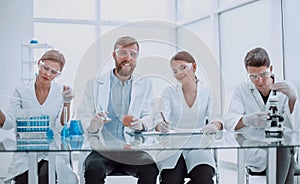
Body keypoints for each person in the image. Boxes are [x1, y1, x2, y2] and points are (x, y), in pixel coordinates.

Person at [78, 36, 159, 184]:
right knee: (93, 169)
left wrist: (140, 124)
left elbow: (149, 116)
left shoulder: (145, 84)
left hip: (132, 150)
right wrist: (92, 125)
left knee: (150, 168)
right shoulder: (94, 84)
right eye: (123, 53)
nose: (128, 58)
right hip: (101, 151)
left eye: (133, 54)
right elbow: (83, 116)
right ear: (114, 55)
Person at [0, 50, 78, 183]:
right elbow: (9, 124)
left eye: (54, 72)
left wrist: (67, 102)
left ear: (58, 74)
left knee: (45, 176)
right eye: (45, 68)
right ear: (39, 64)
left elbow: (61, 125)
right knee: (23, 179)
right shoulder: (21, 91)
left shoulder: (62, 91)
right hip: (27, 150)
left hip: (52, 150)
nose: (48, 74)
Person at [224, 47, 299, 184]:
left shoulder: (285, 89)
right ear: (247, 73)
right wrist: (247, 120)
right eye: (253, 76)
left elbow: (294, 127)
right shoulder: (241, 90)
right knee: (284, 155)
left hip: (282, 148)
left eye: (263, 74)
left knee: (281, 150)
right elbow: (229, 121)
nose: (259, 81)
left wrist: (293, 99)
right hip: (254, 150)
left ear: (270, 68)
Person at [154, 51, 223, 184]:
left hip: (198, 147)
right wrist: (160, 124)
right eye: (174, 71)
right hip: (173, 148)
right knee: (171, 180)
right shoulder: (169, 92)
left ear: (194, 67)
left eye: (183, 67)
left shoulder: (208, 92)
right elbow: (160, 116)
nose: (179, 73)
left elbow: (217, 118)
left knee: (204, 178)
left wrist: (214, 125)